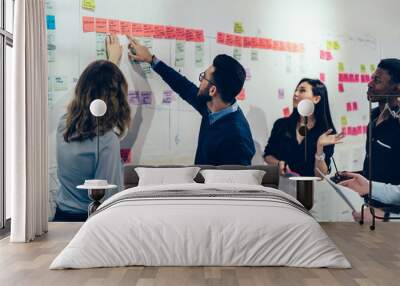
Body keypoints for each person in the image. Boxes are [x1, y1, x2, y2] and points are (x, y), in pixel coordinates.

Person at [127, 37, 255, 165]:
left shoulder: (237, 138)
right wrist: (151, 59)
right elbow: (183, 86)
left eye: (203, 77)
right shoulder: (213, 106)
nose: (200, 81)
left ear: (213, 91)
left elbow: (236, 183)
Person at [54, 36, 131, 221]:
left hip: (62, 216)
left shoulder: (64, 124)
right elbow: (107, 198)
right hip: (91, 222)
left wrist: (111, 62)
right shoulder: (106, 141)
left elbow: (96, 91)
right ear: (115, 99)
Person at [264, 79, 344, 177]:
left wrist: (319, 147)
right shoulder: (281, 124)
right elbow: (268, 154)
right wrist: (278, 164)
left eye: (302, 91)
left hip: (310, 188)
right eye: (295, 90)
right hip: (282, 186)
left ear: (316, 99)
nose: (295, 94)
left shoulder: (326, 132)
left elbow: (320, 176)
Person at [361, 58, 400, 185]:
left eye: (377, 81)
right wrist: (353, 176)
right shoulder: (374, 116)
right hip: (368, 201)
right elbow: (375, 172)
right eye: (372, 78)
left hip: (391, 204)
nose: (370, 84)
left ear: (396, 88)